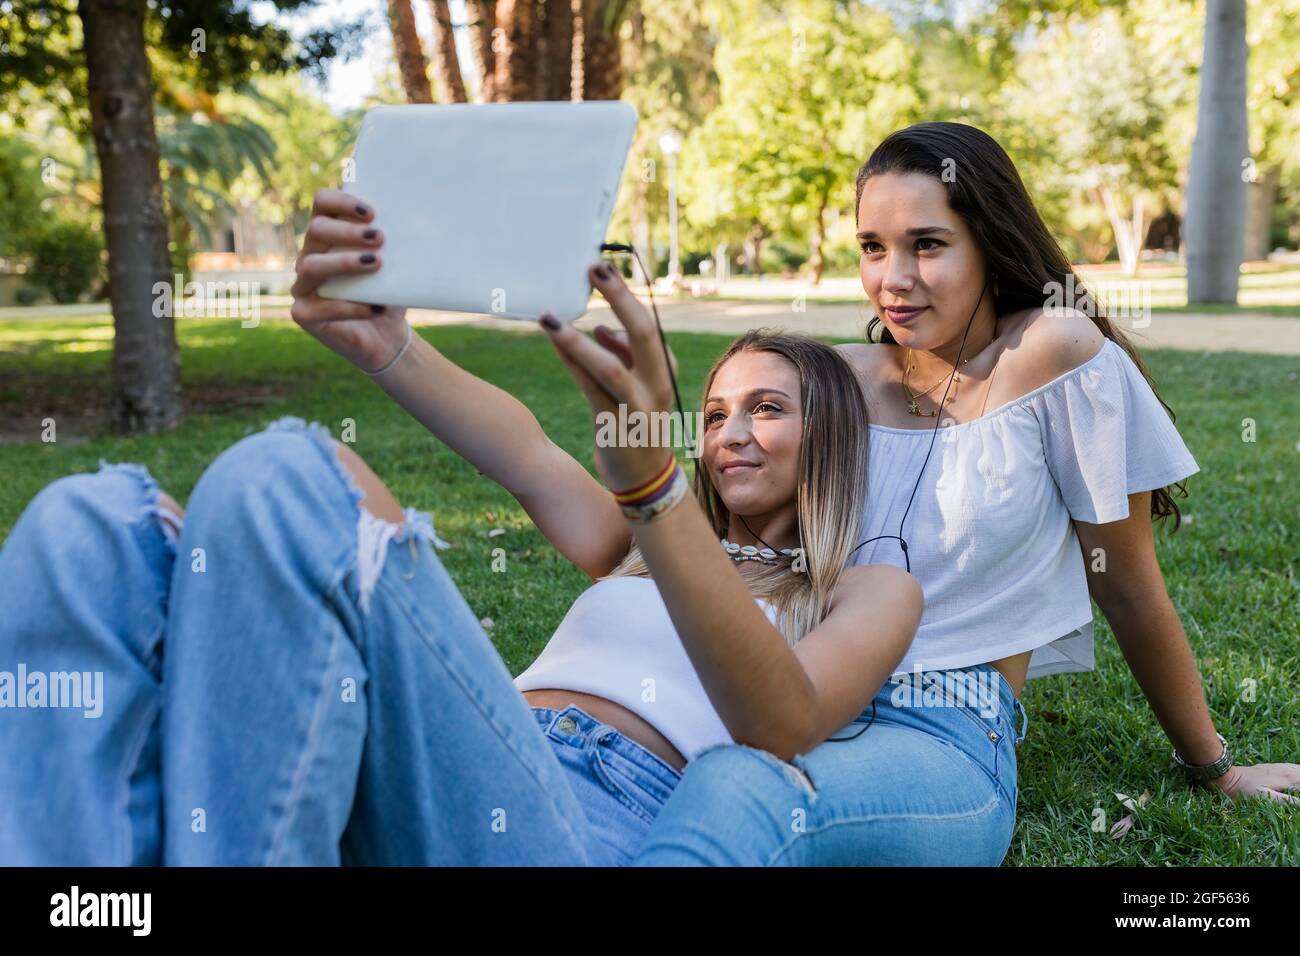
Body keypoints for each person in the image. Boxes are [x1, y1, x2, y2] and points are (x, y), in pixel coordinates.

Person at [0, 195, 922, 864]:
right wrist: (382, 339)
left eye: (765, 409)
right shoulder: (634, 546)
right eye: (715, 412)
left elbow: (782, 720)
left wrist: (653, 485)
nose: (728, 432)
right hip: (454, 759)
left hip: (585, 819)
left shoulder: (868, 590)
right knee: (86, 527)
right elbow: (520, 447)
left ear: (830, 432)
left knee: (287, 477)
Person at [627, 121, 1300, 867]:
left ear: (989, 240)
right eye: (873, 248)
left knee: (741, 792)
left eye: (928, 244)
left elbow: (1129, 588)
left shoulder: (1052, 354)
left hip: (943, 726)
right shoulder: (839, 378)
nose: (893, 279)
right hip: (795, 688)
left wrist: (1214, 766)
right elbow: (716, 530)